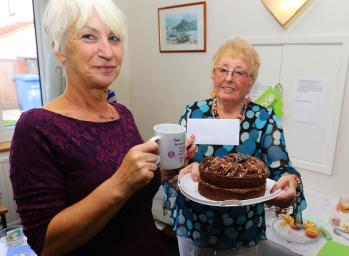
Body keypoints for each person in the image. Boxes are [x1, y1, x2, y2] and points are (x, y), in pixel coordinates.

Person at [9, 1, 194, 255]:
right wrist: (120, 183)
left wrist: (168, 169)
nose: (107, 52)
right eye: (89, 36)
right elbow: (46, 243)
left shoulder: (122, 114)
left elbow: (136, 189)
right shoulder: (37, 127)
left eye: (114, 38)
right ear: (58, 48)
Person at [163, 38, 307, 256]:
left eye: (239, 72)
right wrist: (179, 165)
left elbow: (282, 167)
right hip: (194, 222)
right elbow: (173, 168)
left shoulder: (263, 119)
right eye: (223, 69)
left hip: (242, 228)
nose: (228, 78)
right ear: (213, 73)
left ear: (251, 81)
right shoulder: (193, 112)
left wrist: (291, 181)